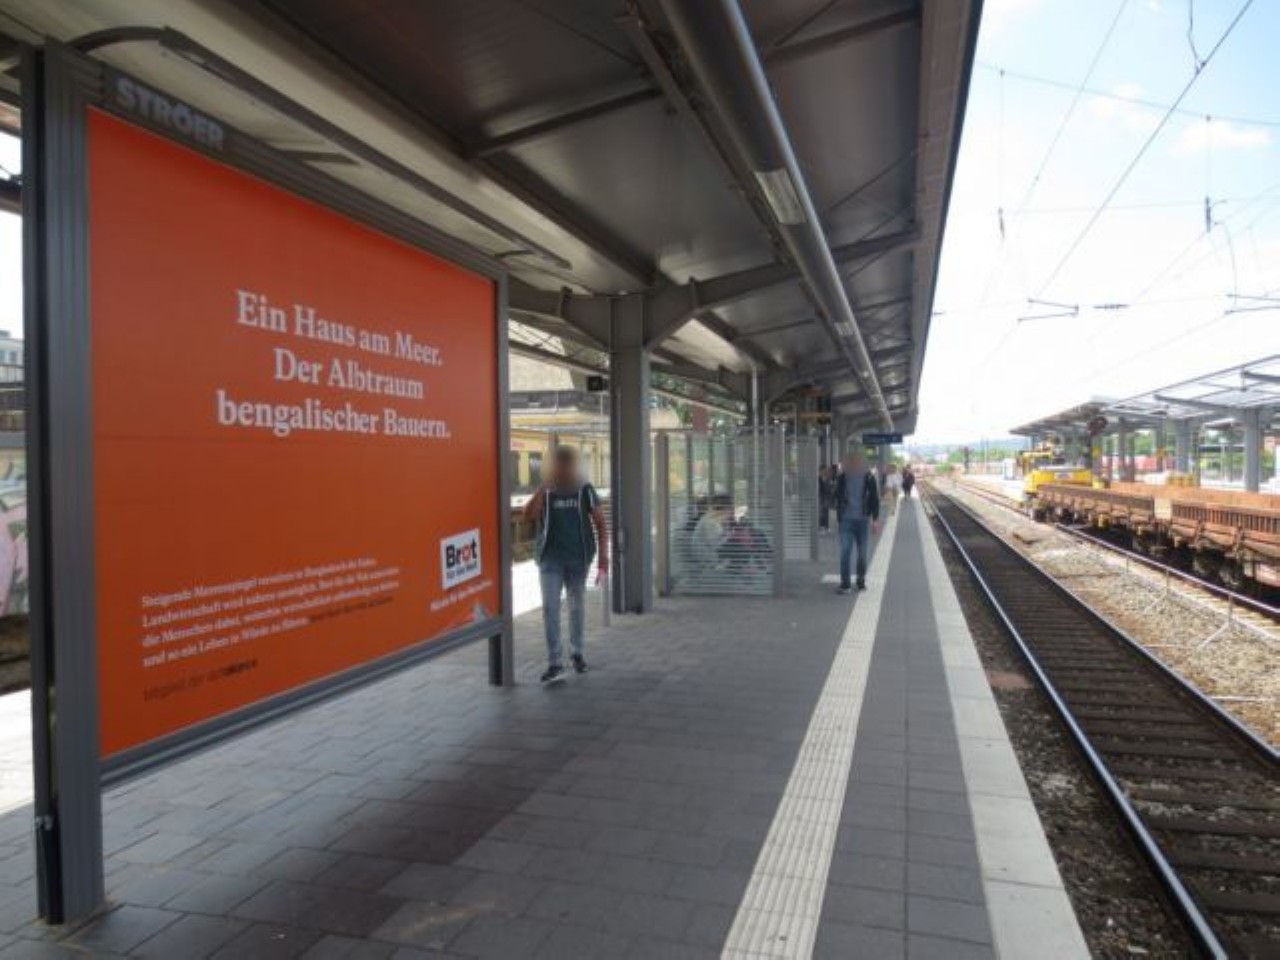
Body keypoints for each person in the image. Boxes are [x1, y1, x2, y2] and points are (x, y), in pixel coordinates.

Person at [522, 446, 609, 684]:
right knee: (550, 609)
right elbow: (528, 515)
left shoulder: (584, 489)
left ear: (572, 465)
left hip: (578, 559)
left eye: (566, 465)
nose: (563, 469)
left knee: (576, 606)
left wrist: (603, 558)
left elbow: (601, 523)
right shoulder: (547, 490)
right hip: (550, 559)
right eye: (558, 465)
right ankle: (555, 662)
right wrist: (543, 488)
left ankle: (577, 653)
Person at [833, 450, 881, 594]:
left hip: (863, 520)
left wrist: (875, 519)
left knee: (862, 554)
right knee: (845, 552)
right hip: (846, 520)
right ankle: (845, 585)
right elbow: (836, 496)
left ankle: (860, 582)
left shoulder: (869, 478)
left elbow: (874, 499)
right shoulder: (842, 478)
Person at [818, 466, 832, 533]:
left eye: (825, 470)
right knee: (822, 512)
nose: (824, 471)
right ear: (820, 471)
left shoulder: (827, 479)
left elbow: (829, 488)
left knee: (826, 512)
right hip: (821, 497)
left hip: (826, 497)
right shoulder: (818, 479)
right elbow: (819, 489)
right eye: (823, 470)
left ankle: (827, 526)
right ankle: (821, 526)